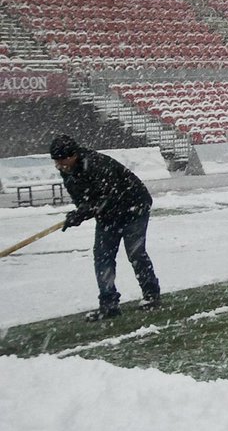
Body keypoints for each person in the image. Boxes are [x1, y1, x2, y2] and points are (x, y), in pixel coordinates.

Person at [51, 135, 161, 321]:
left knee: (135, 252)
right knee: (103, 256)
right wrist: (78, 214)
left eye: (62, 160)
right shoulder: (67, 171)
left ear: (73, 155)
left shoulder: (97, 164)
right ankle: (109, 303)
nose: (59, 165)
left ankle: (151, 294)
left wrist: (85, 212)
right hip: (108, 214)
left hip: (134, 206)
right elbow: (84, 201)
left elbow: (108, 197)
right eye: (56, 161)